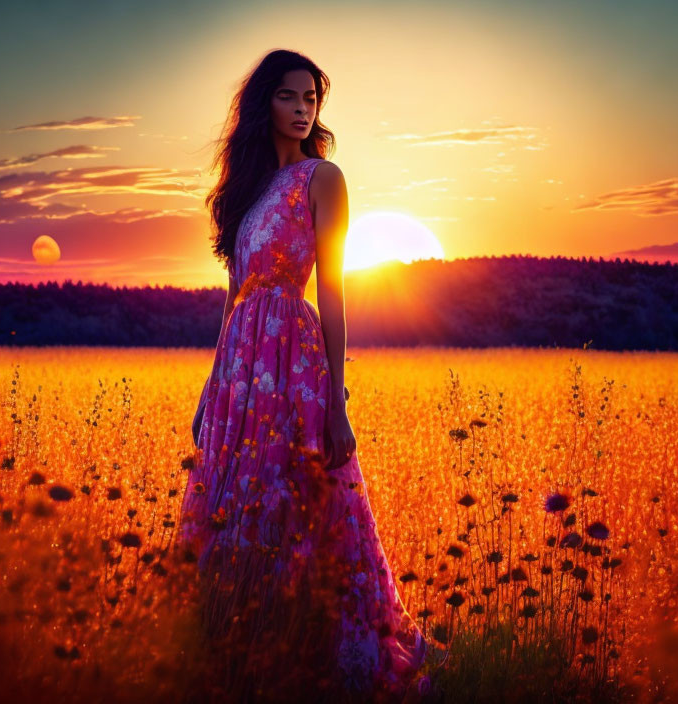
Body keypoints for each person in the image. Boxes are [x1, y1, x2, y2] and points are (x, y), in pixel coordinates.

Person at [175, 49, 433, 703]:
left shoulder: (324, 178)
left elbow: (335, 290)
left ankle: (319, 649)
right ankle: (241, 645)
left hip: (296, 357)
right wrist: (211, 390)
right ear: (263, 104)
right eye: (289, 97)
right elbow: (232, 299)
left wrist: (338, 401)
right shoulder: (245, 194)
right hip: (240, 364)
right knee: (235, 503)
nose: (302, 110)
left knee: (300, 499)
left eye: (312, 99)